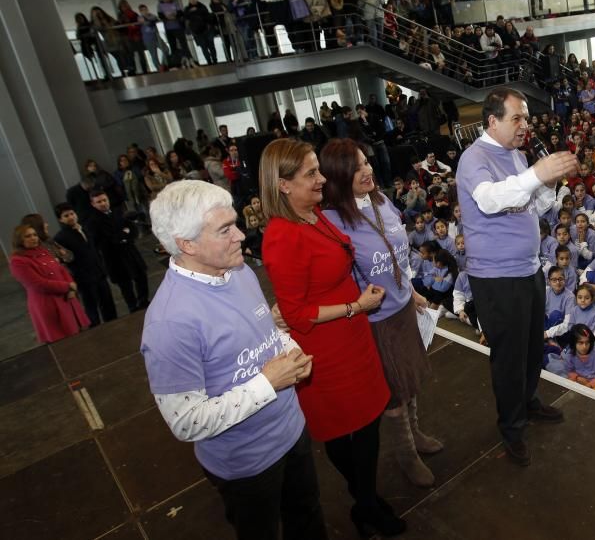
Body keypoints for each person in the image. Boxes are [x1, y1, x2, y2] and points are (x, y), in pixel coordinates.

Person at [140, 180, 324, 540]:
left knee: (309, 517)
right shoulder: (169, 323)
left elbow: (264, 333)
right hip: (246, 466)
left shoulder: (238, 271)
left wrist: (288, 348)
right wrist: (268, 383)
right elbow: (187, 422)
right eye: (225, 229)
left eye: (235, 223)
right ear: (186, 244)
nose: (241, 235)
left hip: (292, 432)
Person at [259, 139, 404, 536]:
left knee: (369, 421)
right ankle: (367, 502)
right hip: (327, 349)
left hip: (353, 335)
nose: (322, 179)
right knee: (345, 431)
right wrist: (356, 307)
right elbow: (296, 314)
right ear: (283, 185)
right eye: (311, 174)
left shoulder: (314, 214)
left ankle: (366, 497)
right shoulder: (282, 236)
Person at [455, 87, 578, 466]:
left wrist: (549, 183)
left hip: (527, 270)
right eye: (517, 118)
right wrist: (536, 174)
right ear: (492, 121)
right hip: (496, 278)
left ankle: (528, 402)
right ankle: (511, 426)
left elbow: (532, 205)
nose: (525, 125)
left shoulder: (516, 155)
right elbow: (491, 199)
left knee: (530, 346)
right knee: (508, 357)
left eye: (526, 117)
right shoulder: (473, 159)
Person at [318, 139, 442, 488]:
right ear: (338, 176)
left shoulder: (382, 201)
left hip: (403, 309)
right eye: (357, 168)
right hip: (374, 321)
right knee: (393, 393)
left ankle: (415, 435)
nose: (368, 170)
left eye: (367, 162)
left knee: (410, 382)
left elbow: (398, 258)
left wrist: (413, 293)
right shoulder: (331, 221)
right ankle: (406, 455)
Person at [9, 223, 89, 343]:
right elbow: (37, 284)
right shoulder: (18, 261)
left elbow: (61, 269)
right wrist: (67, 286)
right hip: (48, 303)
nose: (33, 238)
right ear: (19, 240)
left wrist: (71, 288)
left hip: (66, 297)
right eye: (28, 236)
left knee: (78, 337)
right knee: (62, 341)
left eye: (34, 235)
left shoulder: (43, 251)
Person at [53, 203, 117, 326]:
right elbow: (65, 259)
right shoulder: (60, 238)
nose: (71, 217)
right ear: (60, 219)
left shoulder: (84, 228)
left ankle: (113, 324)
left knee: (108, 303)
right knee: (91, 306)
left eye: (72, 214)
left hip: (99, 273)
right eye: (66, 216)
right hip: (84, 278)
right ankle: (96, 329)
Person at [86, 188, 149, 312]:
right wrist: (122, 234)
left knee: (141, 275)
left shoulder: (117, 212)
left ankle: (143, 301)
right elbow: (108, 239)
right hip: (114, 257)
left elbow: (131, 229)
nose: (103, 203)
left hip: (129, 251)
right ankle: (133, 306)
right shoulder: (92, 222)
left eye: (104, 200)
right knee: (125, 284)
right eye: (99, 202)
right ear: (93, 204)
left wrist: (124, 236)